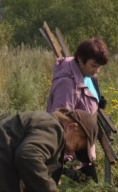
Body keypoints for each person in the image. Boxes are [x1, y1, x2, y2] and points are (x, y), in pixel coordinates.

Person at [45, 37, 108, 181]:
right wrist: (68, 159)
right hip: (72, 153)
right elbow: (60, 119)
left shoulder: (85, 73)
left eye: (100, 66)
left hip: (82, 146)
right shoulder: (66, 83)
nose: (97, 70)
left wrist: (97, 101)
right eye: (94, 65)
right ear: (80, 59)